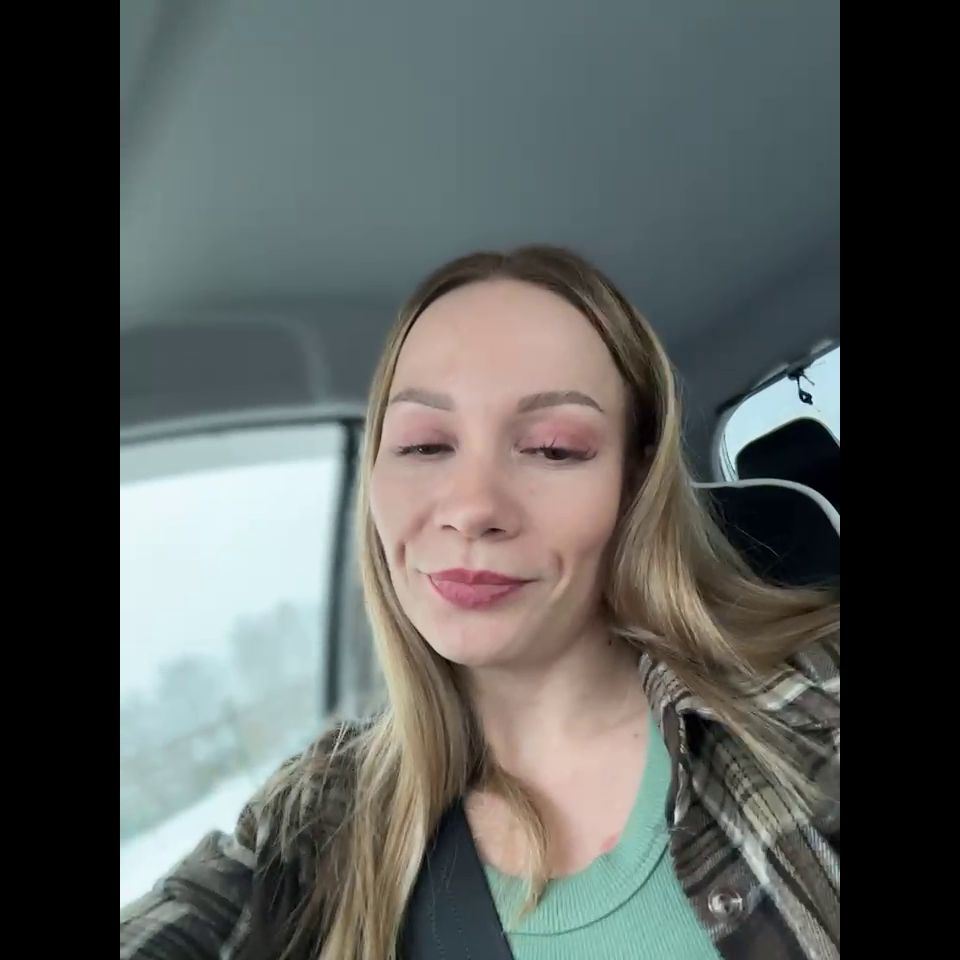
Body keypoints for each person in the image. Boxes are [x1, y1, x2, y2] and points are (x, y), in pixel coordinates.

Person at [120, 246, 839, 960]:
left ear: (636, 482)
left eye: (554, 449)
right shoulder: (311, 830)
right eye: (424, 446)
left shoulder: (813, 705)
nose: (472, 508)